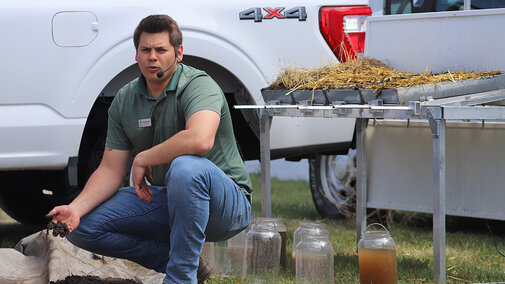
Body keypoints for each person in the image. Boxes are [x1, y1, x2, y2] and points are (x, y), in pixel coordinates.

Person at [47, 14, 252, 284]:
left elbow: (200, 140)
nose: (152, 57)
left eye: (161, 50)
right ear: (136, 55)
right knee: (83, 227)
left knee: (186, 167)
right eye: (145, 50)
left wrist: (144, 157)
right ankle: (181, 262)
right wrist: (76, 209)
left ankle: (180, 278)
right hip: (171, 197)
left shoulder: (199, 85)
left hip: (227, 208)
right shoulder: (125, 98)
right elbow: (109, 170)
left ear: (178, 53)